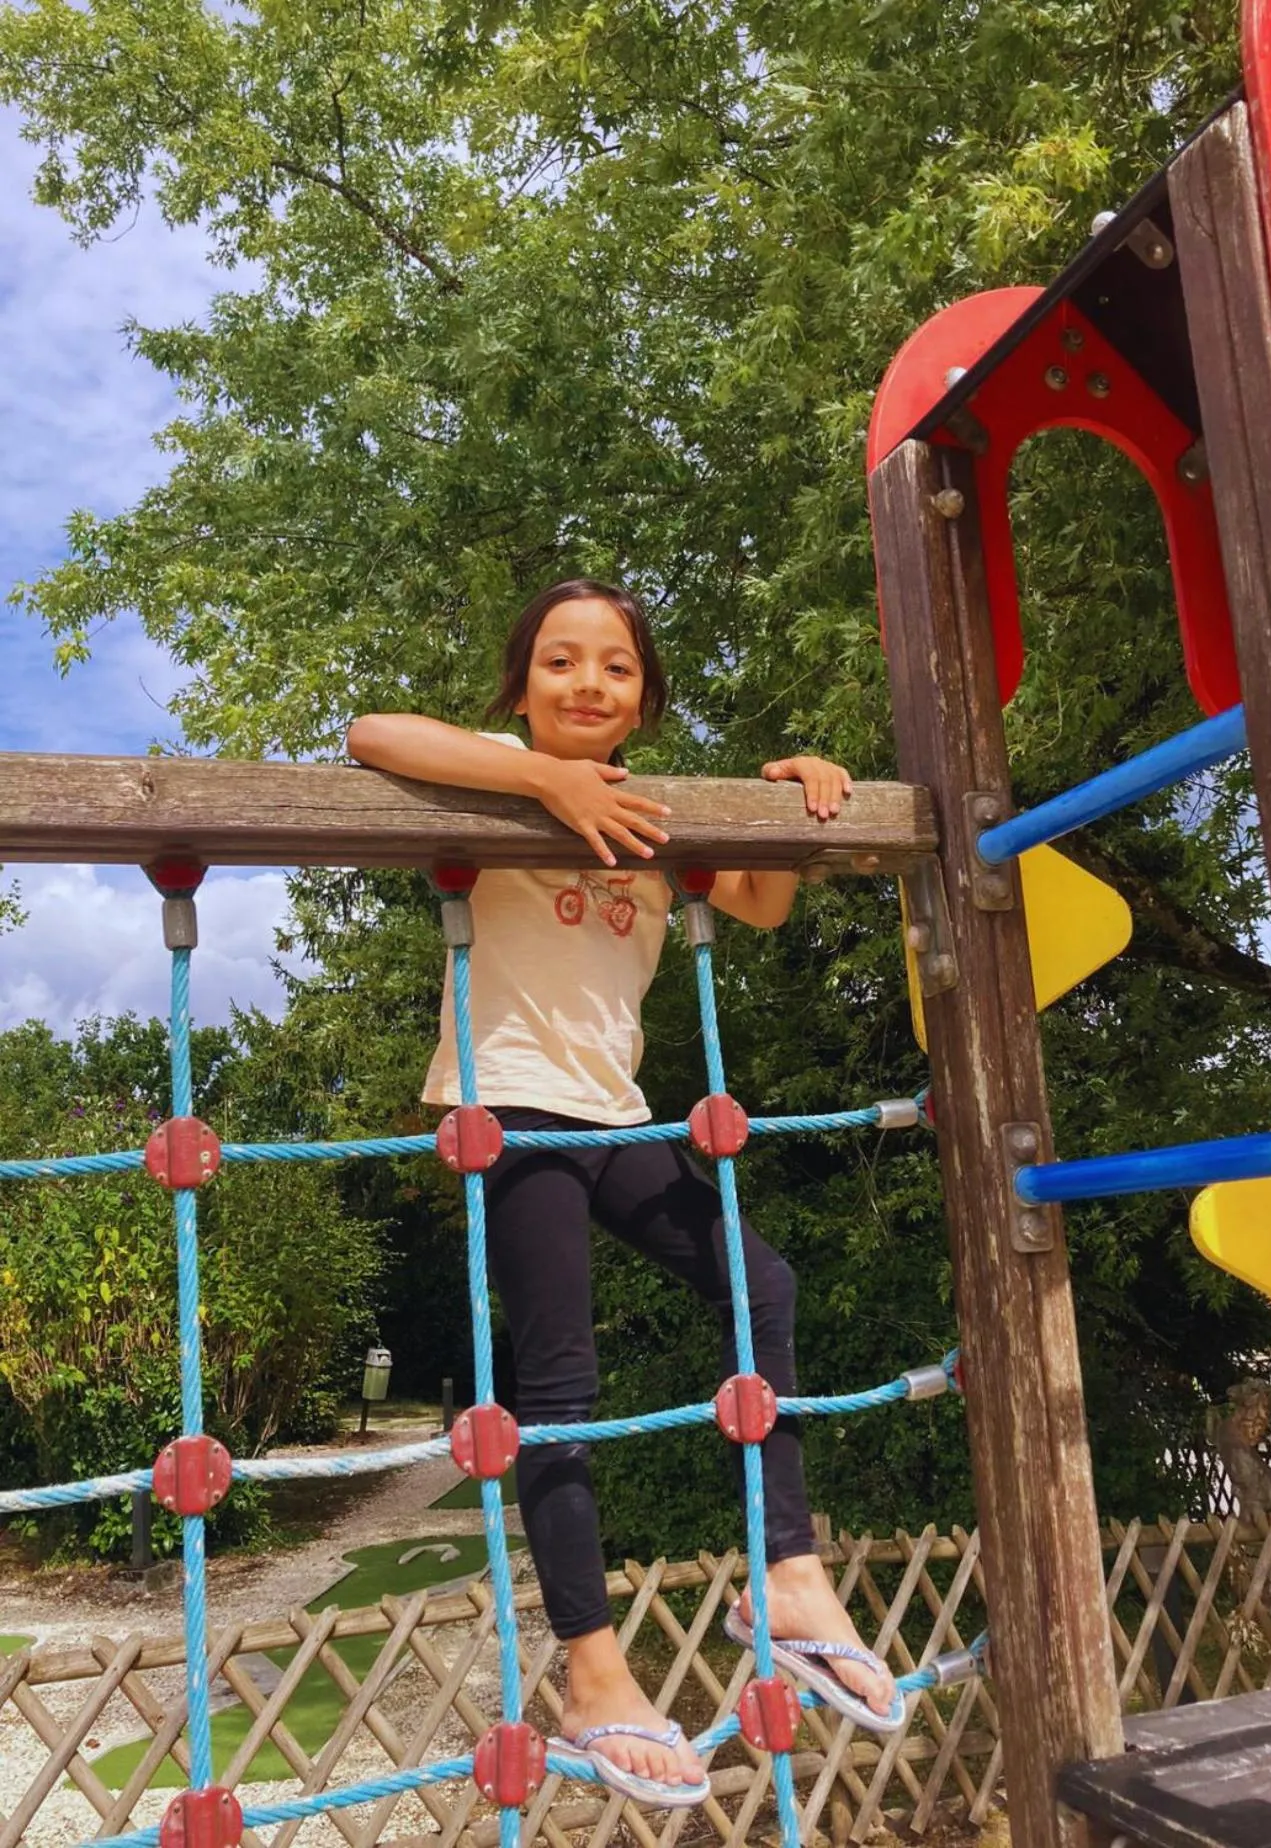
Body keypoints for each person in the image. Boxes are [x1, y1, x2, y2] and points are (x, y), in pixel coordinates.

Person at [347, 579, 903, 1809]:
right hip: (507, 1113)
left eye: (614, 668)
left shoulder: (655, 816)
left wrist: (795, 791)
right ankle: (594, 1670)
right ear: (521, 683)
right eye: (559, 661)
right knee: (559, 1381)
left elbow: (757, 899)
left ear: (646, 698)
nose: (586, 684)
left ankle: (792, 1576)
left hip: (616, 1117)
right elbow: (371, 738)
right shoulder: (493, 768)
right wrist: (544, 783)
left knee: (761, 1283)